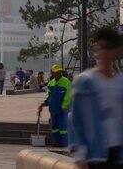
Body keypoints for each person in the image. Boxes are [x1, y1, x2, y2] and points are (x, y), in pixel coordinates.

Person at [69, 27, 123, 168]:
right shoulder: (85, 81)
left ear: (115, 51)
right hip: (96, 154)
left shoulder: (120, 81)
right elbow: (75, 119)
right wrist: (80, 154)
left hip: (118, 151)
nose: (103, 53)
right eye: (100, 48)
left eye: (108, 48)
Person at [38, 64, 71, 147]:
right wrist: (44, 104)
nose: (58, 74)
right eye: (56, 72)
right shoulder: (51, 83)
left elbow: (68, 95)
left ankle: (65, 143)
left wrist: (64, 106)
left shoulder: (66, 82)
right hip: (53, 109)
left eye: (59, 72)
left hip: (63, 110)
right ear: (52, 73)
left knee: (63, 127)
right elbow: (50, 97)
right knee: (55, 128)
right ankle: (57, 142)